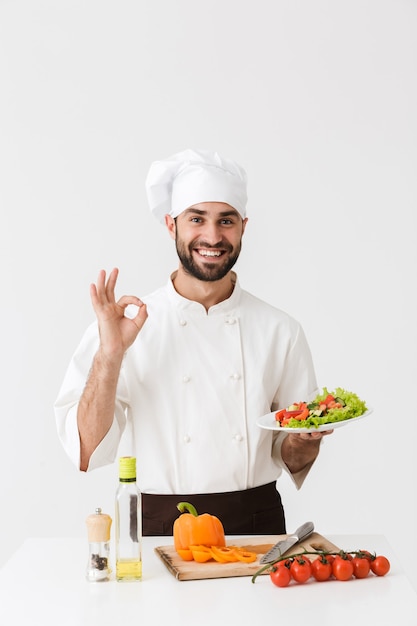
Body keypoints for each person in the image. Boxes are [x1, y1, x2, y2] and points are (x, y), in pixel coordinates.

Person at [55, 148, 332, 536]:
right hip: (159, 526)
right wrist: (110, 355)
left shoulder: (280, 330)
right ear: (171, 225)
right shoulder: (123, 327)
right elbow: (85, 449)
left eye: (226, 221)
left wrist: (306, 440)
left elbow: (291, 457)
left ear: (244, 226)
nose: (213, 236)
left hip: (255, 523)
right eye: (196, 219)